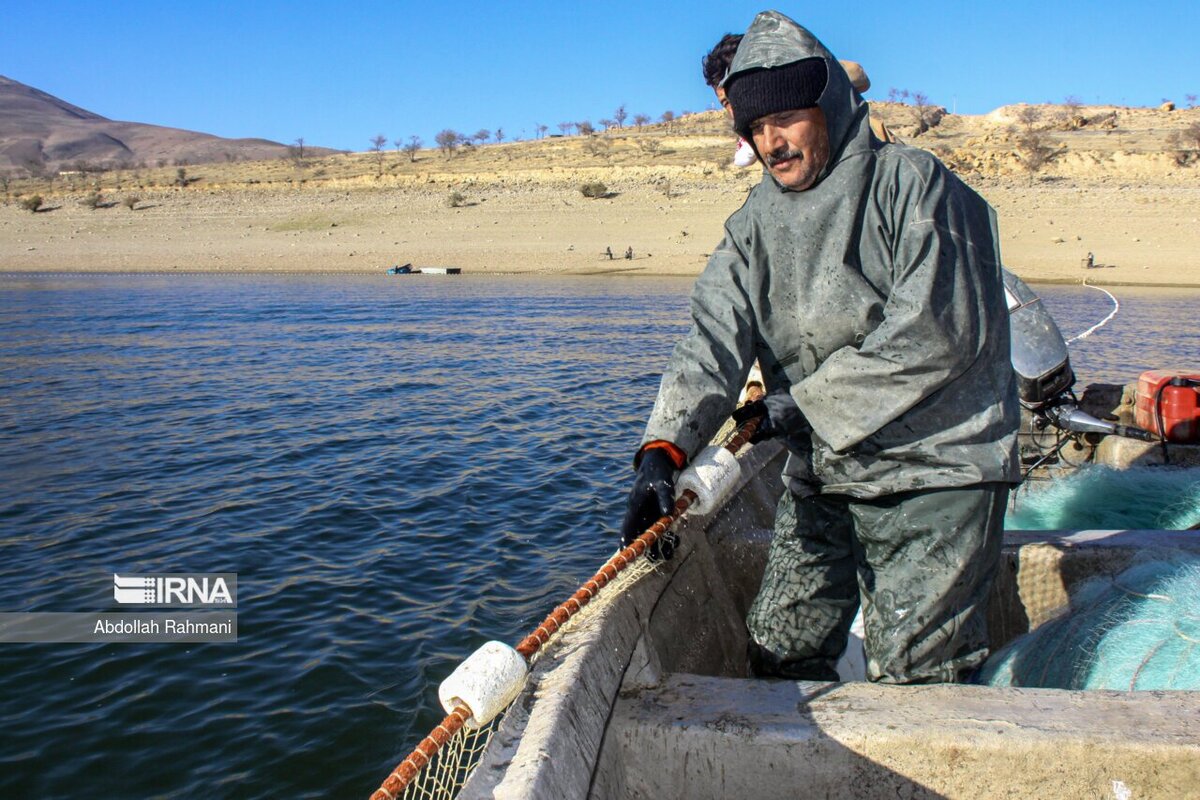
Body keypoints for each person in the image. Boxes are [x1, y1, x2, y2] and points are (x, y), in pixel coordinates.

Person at [620, 10, 1019, 685]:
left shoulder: (914, 184)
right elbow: (712, 335)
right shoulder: (753, 224)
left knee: (918, 677)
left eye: (787, 119)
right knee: (777, 649)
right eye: (755, 127)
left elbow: (936, 333)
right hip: (828, 467)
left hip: (938, 468)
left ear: (828, 104)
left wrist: (798, 406)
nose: (772, 142)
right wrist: (662, 451)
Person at [702, 33, 894, 170]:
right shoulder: (765, 141)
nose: (737, 110)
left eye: (739, 96)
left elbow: (859, 75)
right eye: (726, 103)